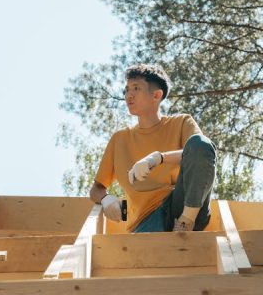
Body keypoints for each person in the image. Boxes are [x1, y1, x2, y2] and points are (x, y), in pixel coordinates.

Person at [89, 63, 217, 232]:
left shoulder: (182, 122)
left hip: (182, 207)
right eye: (126, 89)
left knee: (201, 143)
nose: (128, 95)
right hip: (145, 220)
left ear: (156, 95)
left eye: (136, 88)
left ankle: (185, 224)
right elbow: (96, 189)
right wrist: (106, 199)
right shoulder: (119, 139)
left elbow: (201, 152)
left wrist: (158, 158)